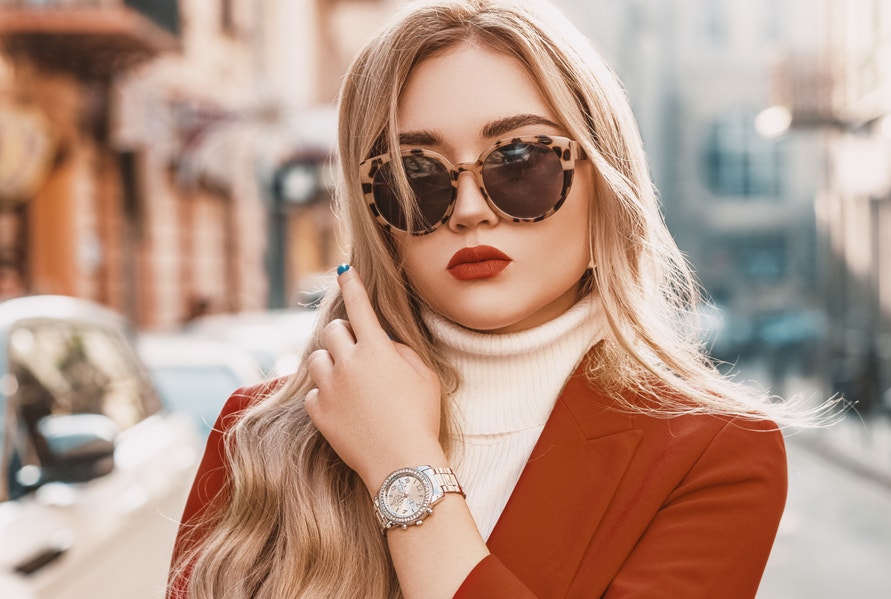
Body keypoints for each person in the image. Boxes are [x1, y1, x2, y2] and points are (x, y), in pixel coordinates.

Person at [169, 1, 818, 596]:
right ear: (377, 216)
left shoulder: (714, 452)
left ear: (603, 179)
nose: (470, 210)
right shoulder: (254, 435)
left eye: (520, 160)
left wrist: (404, 466)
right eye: (415, 174)